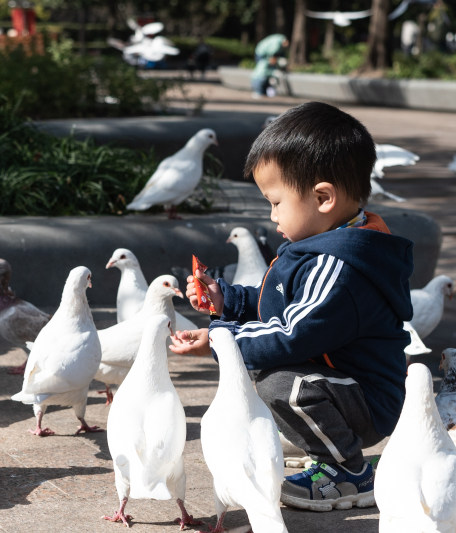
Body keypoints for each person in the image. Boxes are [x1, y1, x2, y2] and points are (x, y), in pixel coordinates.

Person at [169, 101, 414, 512]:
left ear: (322, 198)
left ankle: (348, 473)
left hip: (366, 400)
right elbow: (279, 307)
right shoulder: (317, 246)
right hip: (340, 384)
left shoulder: (340, 265)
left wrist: (220, 340)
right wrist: (226, 301)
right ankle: (328, 446)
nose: (272, 215)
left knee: (280, 383)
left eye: (276, 202)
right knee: (270, 371)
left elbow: (293, 332)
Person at [251, 33, 289, 98]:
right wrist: (274, 72)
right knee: (264, 78)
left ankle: (265, 92)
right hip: (258, 79)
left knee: (269, 76)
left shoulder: (280, 39)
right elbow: (264, 72)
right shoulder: (275, 46)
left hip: (262, 53)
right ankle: (259, 92)